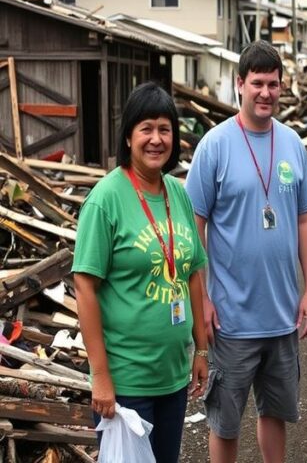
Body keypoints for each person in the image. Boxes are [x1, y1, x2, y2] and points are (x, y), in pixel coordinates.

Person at [185, 40, 307, 463]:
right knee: (224, 422)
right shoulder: (215, 145)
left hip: (281, 316)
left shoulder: (293, 144)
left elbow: (306, 220)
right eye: (257, 83)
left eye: (273, 84)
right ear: (239, 84)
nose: (265, 92)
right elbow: (194, 226)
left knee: (275, 413)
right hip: (230, 319)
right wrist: (202, 299)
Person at [73, 82, 209, 462]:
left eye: (164, 129)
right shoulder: (106, 200)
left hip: (172, 378)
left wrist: (201, 349)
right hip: (126, 383)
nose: (156, 139)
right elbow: (84, 286)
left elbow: (192, 273)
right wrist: (101, 376)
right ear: (128, 136)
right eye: (146, 128)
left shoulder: (177, 193)